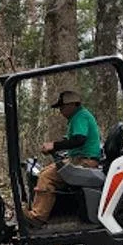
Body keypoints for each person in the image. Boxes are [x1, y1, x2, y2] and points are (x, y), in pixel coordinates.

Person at [22, 90, 101, 226]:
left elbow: (79, 139)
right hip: (78, 158)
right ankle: (39, 209)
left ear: (72, 105)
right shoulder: (79, 116)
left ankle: (38, 217)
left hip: (84, 161)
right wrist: (56, 147)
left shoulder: (80, 116)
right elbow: (73, 141)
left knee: (47, 178)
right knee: (43, 172)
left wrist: (54, 145)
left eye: (62, 107)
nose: (60, 111)